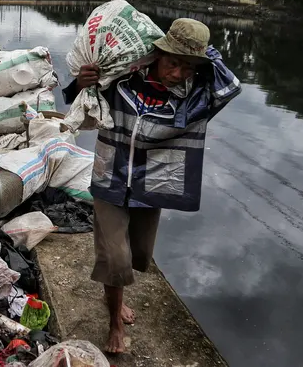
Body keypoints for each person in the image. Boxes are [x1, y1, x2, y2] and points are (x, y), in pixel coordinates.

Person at [63, 18, 241, 354]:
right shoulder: (122, 77)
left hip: (152, 182)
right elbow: (79, 99)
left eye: (188, 67)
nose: (178, 74)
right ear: (158, 54)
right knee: (115, 258)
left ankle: (117, 298)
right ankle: (114, 322)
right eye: (173, 62)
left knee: (138, 255)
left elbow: (231, 86)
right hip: (110, 177)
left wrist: (202, 54)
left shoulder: (194, 97)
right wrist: (79, 82)